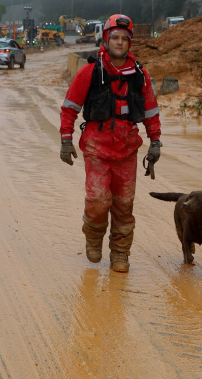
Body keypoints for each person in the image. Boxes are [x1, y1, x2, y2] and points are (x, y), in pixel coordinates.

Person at [59, 14, 162, 273]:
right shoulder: (91, 72)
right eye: (114, 37)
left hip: (127, 148)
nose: (119, 42)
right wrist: (65, 140)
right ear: (106, 39)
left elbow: (151, 111)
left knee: (124, 204)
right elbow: (70, 107)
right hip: (96, 146)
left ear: (130, 43)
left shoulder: (140, 75)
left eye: (124, 39)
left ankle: (120, 254)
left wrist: (155, 142)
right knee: (97, 199)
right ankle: (93, 240)